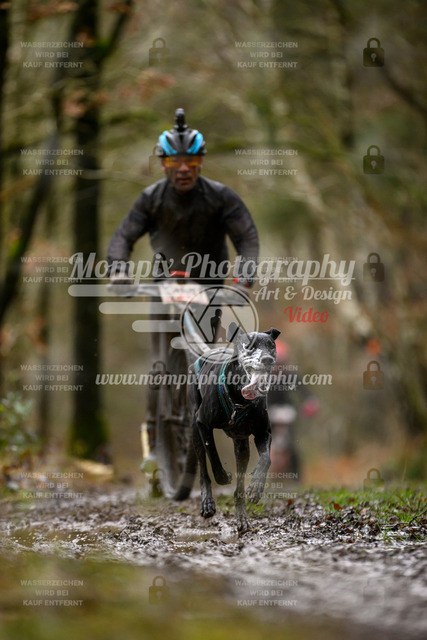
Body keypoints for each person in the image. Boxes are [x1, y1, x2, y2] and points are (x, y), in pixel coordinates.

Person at [107, 108, 259, 469]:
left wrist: (244, 276)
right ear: (163, 163)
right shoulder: (151, 199)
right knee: (161, 363)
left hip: (208, 289)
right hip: (166, 286)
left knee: (204, 360)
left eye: (191, 160)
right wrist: (119, 271)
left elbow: (247, 238)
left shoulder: (221, 197)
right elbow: (122, 238)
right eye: (175, 161)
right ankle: (152, 444)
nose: (183, 168)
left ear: (201, 161)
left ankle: (201, 422)